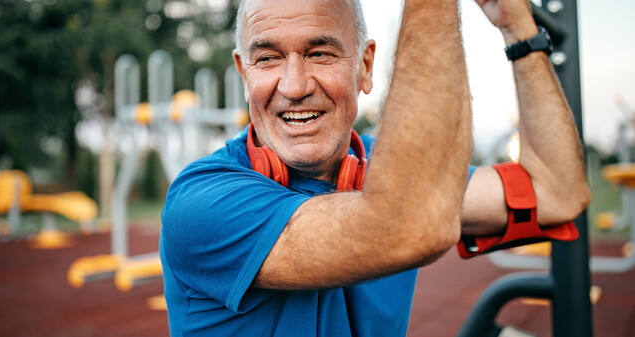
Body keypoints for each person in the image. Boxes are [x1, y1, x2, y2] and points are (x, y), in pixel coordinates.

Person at [160, 0, 591, 335]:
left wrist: (519, 31)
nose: (293, 85)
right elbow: (410, 224)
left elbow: (557, 192)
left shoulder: (387, 169)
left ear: (365, 66)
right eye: (268, 58)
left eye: (320, 53)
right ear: (243, 72)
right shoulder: (199, 204)